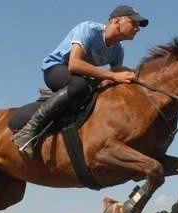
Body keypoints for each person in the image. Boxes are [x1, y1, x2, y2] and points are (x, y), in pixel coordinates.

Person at [13, 5, 149, 158]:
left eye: (139, 25)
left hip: (81, 77)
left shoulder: (118, 49)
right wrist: (112, 76)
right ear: (116, 21)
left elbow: (114, 75)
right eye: (134, 23)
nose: (138, 28)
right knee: (80, 85)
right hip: (56, 69)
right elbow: (74, 64)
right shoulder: (88, 29)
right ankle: (28, 130)